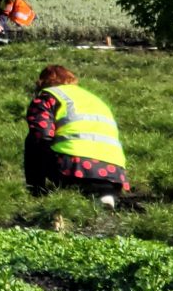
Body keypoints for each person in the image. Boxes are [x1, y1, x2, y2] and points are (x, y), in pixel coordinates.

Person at [25, 65, 128, 206]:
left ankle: (36, 192)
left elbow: (42, 135)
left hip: (75, 166)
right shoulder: (94, 99)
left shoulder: (48, 96)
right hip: (115, 172)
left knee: (32, 140)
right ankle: (104, 192)